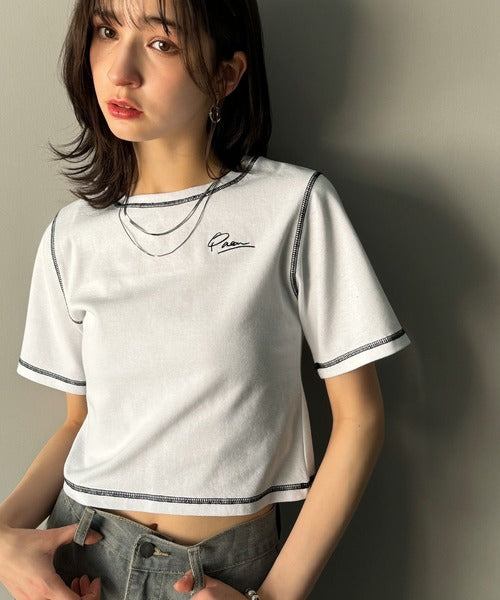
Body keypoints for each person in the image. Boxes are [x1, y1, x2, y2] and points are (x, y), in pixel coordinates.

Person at [0, 0, 411, 599]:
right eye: (106, 30)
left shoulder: (293, 207)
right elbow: (78, 421)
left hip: (221, 576)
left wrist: (271, 598)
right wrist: (3, 537)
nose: (119, 71)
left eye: (161, 43)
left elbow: (360, 418)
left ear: (226, 75)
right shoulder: (72, 235)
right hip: (78, 560)